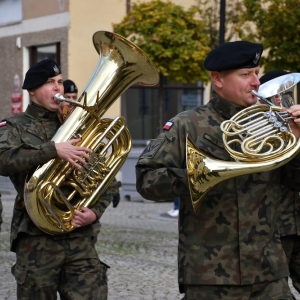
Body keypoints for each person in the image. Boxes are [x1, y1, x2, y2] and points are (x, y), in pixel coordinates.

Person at [135, 41, 300, 299]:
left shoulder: (276, 122)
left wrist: (298, 139)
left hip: (269, 272)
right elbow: (147, 181)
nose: (256, 82)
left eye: (256, 72)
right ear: (218, 80)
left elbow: (294, 181)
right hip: (209, 274)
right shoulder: (187, 125)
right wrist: (199, 172)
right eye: (245, 75)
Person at [0, 59, 113, 299]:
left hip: (80, 236)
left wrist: (96, 211)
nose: (57, 89)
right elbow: (3, 160)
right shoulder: (15, 126)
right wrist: (52, 150)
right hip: (36, 238)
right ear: (32, 90)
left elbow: (107, 176)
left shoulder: (79, 124)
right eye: (49, 83)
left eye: (60, 82)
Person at [61, 78, 122, 243]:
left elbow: (98, 164)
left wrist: (97, 208)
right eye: (68, 97)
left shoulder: (85, 132)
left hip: (83, 227)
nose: (72, 102)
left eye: (75, 97)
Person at [260, 70, 300, 296]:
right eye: (274, 94)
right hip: (276, 228)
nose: (280, 99)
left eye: (284, 93)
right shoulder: (258, 129)